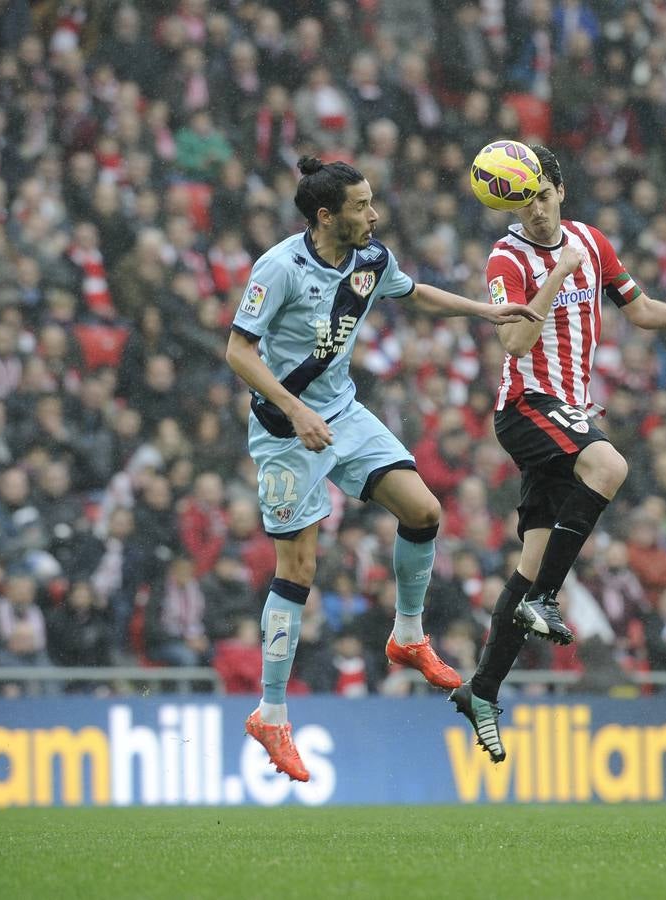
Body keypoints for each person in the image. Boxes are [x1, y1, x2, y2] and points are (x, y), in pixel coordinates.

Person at [225, 156, 542, 783]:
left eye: (372, 202)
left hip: (343, 412)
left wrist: (488, 313)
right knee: (299, 568)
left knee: (424, 511)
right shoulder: (280, 268)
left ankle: (407, 636)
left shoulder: (371, 259)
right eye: (361, 205)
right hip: (287, 432)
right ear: (326, 216)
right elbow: (238, 350)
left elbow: (413, 292)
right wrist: (295, 411)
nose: (374, 214)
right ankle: (271, 712)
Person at [451, 144, 666, 763]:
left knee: (532, 560)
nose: (535, 210)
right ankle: (543, 603)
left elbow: (638, 310)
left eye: (542, 194)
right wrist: (556, 277)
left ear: (560, 189)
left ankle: (482, 688)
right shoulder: (508, 258)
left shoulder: (591, 240)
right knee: (611, 464)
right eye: (523, 199)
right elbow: (514, 339)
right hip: (527, 406)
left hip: (568, 412)